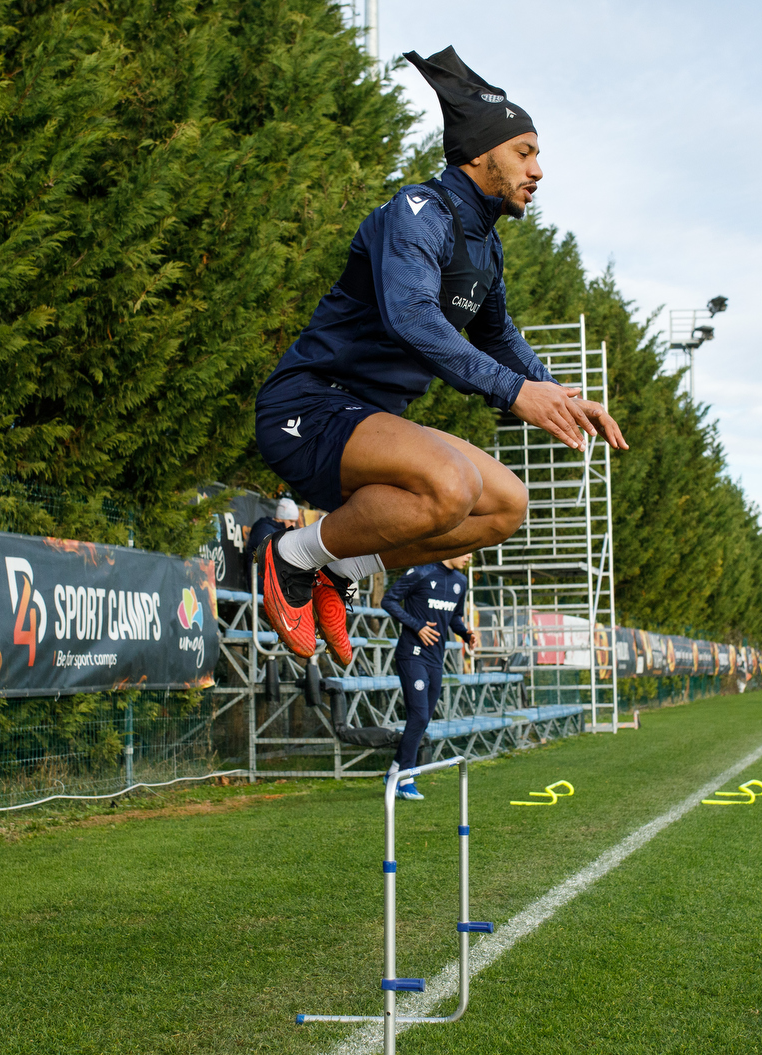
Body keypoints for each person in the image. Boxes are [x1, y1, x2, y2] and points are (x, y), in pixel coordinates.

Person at [251, 47, 628, 664]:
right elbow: (413, 318)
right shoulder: (418, 212)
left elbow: (499, 337)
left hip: (372, 421)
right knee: (451, 487)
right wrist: (514, 393)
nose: (538, 170)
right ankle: (289, 556)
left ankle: (335, 570)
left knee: (505, 505)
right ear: (482, 153)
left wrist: (559, 392)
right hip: (310, 405)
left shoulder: (485, 245)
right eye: (525, 153)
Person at [380, 553, 478, 799]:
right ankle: (405, 778)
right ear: (453, 549)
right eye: (467, 551)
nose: (470, 557)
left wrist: (466, 634)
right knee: (419, 714)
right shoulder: (421, 572)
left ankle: (394, 771)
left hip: (436, 659)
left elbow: (454, 616)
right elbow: (389, 600)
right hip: (411, 654)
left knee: (422, 719)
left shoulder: (460, 581)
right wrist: (417, 626)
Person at [241, 498, 300, 581]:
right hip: (261, 581)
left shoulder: (282, 531)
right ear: (280, 518)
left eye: (295, 522)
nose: (293, 525)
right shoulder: (263, 529)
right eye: (291, 521)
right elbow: (272, 555)